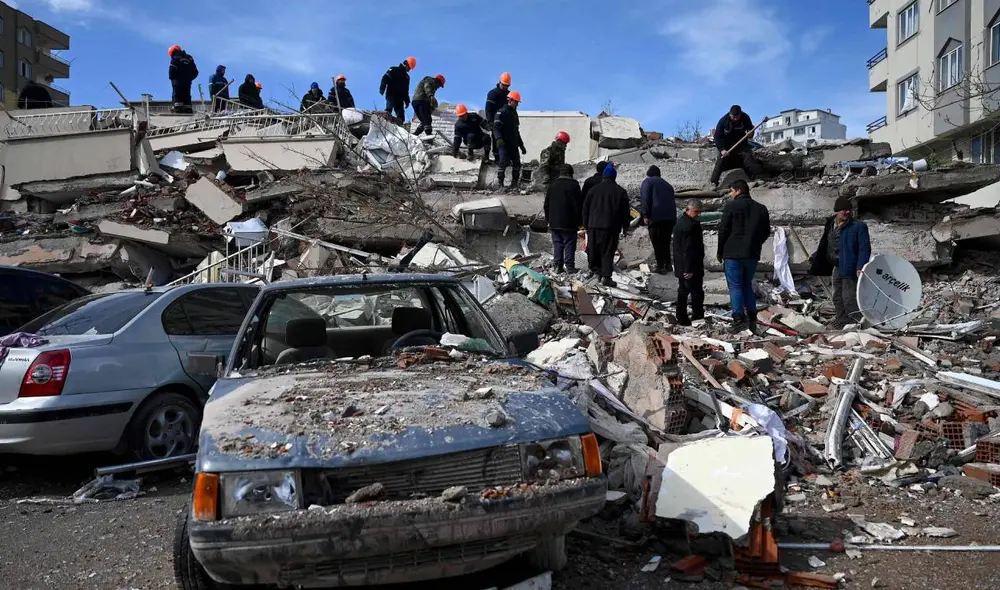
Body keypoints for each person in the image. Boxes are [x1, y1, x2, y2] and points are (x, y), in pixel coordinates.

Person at [809, 197, 872, 329]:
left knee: (849, 297)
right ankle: (842, 320)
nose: (847, 212)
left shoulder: (858, 227)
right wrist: (816, 256)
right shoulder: (831, 224)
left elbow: (864, 248)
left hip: (850, 266)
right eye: (844, 210)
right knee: (837, 296)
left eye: (849, 210)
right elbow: (826, 244)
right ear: (837, 211)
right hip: (837, 266)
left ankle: (855, 322)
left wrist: (860, 266)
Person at [717, 179, 771, 333]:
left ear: (739, 190)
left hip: (732, 253)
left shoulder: (731, 206)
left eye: (731, 191)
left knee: (735, 286)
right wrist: (755, 243)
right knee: (747, 284)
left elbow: (723, 230)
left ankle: (738, 319)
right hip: (752, 254)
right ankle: (752, 318)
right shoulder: (761, 209)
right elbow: (766, 231)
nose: (730, 194)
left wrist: (720, 251)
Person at [583, 163, 631, 287]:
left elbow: (585, 209)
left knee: (593, 250)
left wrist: (586, 225)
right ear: (615, 177)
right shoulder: (621, 192)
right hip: (611, 228)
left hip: (593, 226)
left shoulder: (593, 190)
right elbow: (625, 212)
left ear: (603, 176)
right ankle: (606, 276)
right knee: (607, 252)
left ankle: (595, 272)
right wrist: (625, 227)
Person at [711, 105, 765, 187]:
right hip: (727, 146)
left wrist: (750, 134)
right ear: (730, 114)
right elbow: (717, 137)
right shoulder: (723, 121)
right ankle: (714, 182)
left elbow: (750, 130)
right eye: (734, 117)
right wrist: (722, 150)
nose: (736, 119)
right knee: (720, 161)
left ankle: (757, 177)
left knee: (748, 158)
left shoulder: (745, 117)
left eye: (737, 117)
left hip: (741, 144)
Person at [544, 164, 583, 274]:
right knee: (569, 243)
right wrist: (580, 221)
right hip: (569, 222)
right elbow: (578, 205)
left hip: (555, 221)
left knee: (557, 243)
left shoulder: (553, 185)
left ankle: (558, 266)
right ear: (571, 174)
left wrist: (549, 219)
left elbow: (546, 205)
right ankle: (570, 267)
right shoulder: (574, 185)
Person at [672, 200, 705, 326]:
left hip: (683, 265)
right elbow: (689, 249)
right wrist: (689, 269)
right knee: (695, 293)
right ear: (688, 209)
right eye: (696, 212)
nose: (698, 215)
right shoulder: (690, 226)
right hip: (690, 267)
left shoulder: (682, 222)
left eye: (700, 212)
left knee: (683, 292)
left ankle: (681, 317)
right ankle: (696, 316)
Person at [640, 165, 677, 274]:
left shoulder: (648, 182)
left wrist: (645, 215)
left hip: (656, 217)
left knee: (657, 242)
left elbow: (645, 198)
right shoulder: (668, 185)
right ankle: (668, 265)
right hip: (670, 218)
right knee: (665, 241)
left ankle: (660, 266)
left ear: (649, 174)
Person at [494, 91, 526, 191]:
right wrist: (499, 139)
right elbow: (496, 128)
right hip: (503, 143)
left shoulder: (514, 114)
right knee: (503, 162)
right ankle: (500, 185)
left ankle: (514, 184)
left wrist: (521, 145)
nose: (517, 105)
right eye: (516, 102)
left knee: (517, 163)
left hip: (513, 144)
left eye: (517, 103)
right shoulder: (501, 112)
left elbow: (516, 131)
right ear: (510, 100)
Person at [380, 56, 416, 124]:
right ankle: (384, 125)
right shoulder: (394, 69)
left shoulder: (407, 77)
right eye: (409, 67)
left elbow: (406, 90)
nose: (409, 70)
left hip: (400, 100)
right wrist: (382, 87)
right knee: (388, 111)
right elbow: (385, 78)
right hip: (391, 95)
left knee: (401, 118)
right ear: (406, 64)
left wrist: (407, 100)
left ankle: (396, 129)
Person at [486, 72, 511, 160]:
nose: (505, 87)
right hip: (495, 121)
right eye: (504, 85)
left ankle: (506, 158)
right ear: (500, 82)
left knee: (507, 140)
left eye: (507, 86)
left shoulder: (509, 95)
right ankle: (497, 158)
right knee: (497, 139)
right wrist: (490, 122)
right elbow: (488, 109)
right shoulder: (493, 93)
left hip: (506, 122)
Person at [167, 45, 198, 114]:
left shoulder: (175, 59)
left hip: (177, 82)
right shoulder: (189, 58)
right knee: (187, 95)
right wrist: (189, 78)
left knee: (177, 95)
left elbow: (171, 72)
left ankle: (177, 109)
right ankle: (188, 109)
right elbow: (195, 72)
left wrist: (173, 78)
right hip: (187, 83)